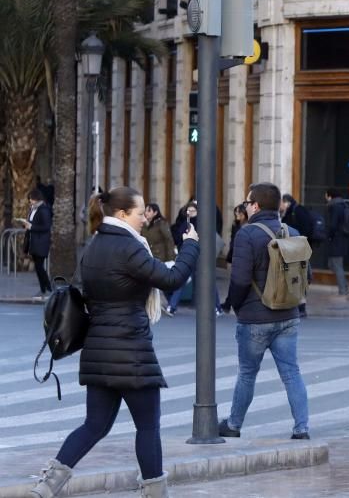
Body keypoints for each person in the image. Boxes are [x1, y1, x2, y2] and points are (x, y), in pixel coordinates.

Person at [30, 186, 199, 498]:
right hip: (132, 350)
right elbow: (171, 279)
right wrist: (190, 247)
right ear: (122, 214)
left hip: (98, 351)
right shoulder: (129, 248)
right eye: (138, 214)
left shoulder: (93, 247)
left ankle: (45, 486)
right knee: (147, 427)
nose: (143, 220)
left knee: (93, 425)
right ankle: (155, 493)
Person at [219, 182, 311, 440]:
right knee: (292, 373)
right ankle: (301, 428)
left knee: (247, 374)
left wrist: (233, 306)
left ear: (256, 205)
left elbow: (238, 280)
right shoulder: (292, 231)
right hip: (288, 315)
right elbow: (307, 276)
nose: (246, 207)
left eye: (247, 203)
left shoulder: (246, 235)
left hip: (254, 318)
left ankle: (234, 425)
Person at [165, 201, 221, 316]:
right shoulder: (184, 223)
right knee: (181, 280)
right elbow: (178, 238)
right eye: (188, 211)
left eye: (193, 211)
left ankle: (217, 307)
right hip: (187, 256)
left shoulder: (203, 223)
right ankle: (172, 306)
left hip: (201, 257)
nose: (190, 213)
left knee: (208, 281)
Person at [23, 188, 53, 297]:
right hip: (34, 242)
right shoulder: (33, 209)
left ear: (37, 198)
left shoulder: (43, 210)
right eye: (29, 199)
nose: (30, 200)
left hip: (41, 242)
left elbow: (46, 227)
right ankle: (44, 288)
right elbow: (32, 223)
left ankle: (47, 287)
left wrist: (31, 226)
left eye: (31, 198)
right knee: (38, 266)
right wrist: (26, 224)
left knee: (39, 266)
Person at [325, 188, 349, 295]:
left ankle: (343, 290)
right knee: (332, 264)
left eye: (326, 195)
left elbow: (333, 225)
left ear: (329, 196)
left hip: (337, 240)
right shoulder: (342, 205)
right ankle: (346, 285)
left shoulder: (335, 207)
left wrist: (329, 235)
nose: (325, 197)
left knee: (336, 264)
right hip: (341, 240)